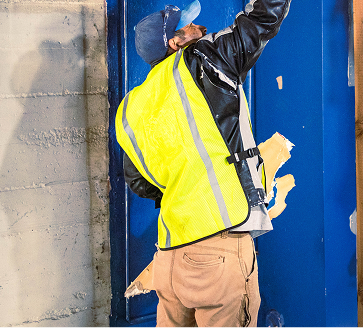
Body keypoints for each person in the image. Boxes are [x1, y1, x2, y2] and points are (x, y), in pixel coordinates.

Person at [115, 0, 291, 326]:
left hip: (169, 259)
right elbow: (264, 19)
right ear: (175, 43)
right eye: (189, 27)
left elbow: (138, 181)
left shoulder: (134, 106)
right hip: (217, 254)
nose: (201, 29)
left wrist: (185, 189)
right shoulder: (203, 60)